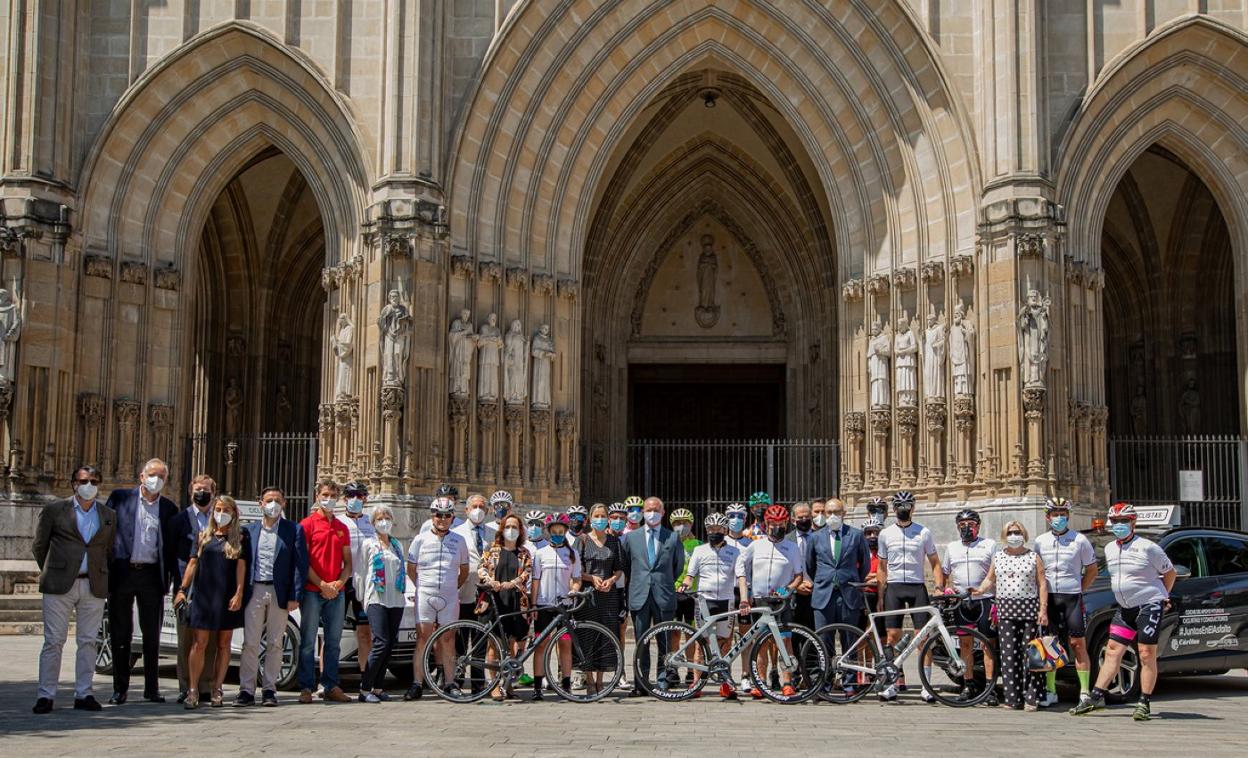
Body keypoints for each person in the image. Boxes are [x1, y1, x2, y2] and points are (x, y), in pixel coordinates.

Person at [1071, 502, 1176, 721]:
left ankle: (1144, 702)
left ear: (1133, 523)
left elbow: (1170, 573)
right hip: (1125, 607)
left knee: (1146, 653)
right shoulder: (1110, 548)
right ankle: (1096, 697)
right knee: (1112, 651)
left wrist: (1163, 595)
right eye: (1116, 522)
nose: (1119, 525)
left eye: (1123, 522)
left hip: (1148, 605)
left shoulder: (1148, 547)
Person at [31, 465, 116, 714]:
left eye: (94, 481)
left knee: (88, 641)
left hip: (93, 584)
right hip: (59, 584)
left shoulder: (108, 514)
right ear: (73, 484)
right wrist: (55, 569)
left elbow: (108, 549)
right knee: (53, 641)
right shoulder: (55, 510)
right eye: (84, 480)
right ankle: (46, 695)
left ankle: (84, 693)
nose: (89, 485)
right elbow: (39, 545)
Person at [106, 457, 178, 704]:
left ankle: (152, 688)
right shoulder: (120, 499)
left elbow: (172, 548)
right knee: (121, 633)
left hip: (151, 576)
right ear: (141, 476)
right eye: (152, 474)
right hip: (123, 572)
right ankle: (120, 689)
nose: (156, 480)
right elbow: (105, 535)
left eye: (161, 476)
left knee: (152, 635)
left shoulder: (169, 509)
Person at [174, 495, 250, 708]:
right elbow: (192, 563)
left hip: (226, 595)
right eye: (218, 509)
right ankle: (192, 689)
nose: (221, 513)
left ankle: (217, 687)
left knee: (224, 643)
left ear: (234, 513)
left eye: (226, 509)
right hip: (204, 596)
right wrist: (182, 589)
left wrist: (239, 593)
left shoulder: (241, 537)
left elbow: (241, 567)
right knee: (199, 643)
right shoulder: (204, 536)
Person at [237, 486, 307, 707]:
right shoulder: (248, 531)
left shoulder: (292, 529)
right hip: (255, 589)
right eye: (269, 500)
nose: (273, 504)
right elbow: (242, 563)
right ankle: (246, 690)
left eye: (277, 500)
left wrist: (295, 595)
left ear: (284, 503)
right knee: (250, 642)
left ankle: (269, 688)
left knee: (276, 642)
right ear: (261, 504)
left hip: (279, 593)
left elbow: (299, 565)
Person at [875, 490, 944, 702]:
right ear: (894, 510)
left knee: (922, 637)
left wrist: (939, 587)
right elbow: (882, 566)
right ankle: (892, 684)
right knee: (892, 635)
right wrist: (880, 596)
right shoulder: (885, 534)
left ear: (913, 508)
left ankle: (926, 685)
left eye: (907, 506)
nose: (903, 510)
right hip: (894, 587)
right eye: (899, 507)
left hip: (917, 586)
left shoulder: (924, 532)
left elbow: (934, 561)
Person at [974, 521, 1047, 711]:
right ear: (1005, 536)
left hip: (1029, 609)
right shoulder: (998, 557)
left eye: (1017, 532)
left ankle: (1031, 696)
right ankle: (1012, 697)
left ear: (1024, 534)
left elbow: (1042, 583)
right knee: (1008, 655)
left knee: (1030, 654)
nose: (1014, 535)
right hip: (1006, 609)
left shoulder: (1033, 556)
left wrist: (1043, 610)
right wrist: (979, 590)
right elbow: (991, 579)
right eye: (1010, 532)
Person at [1033, 497, 1098, 707]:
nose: (1059, 518)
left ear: (1068, 516)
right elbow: (1038, 572)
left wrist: (1080, 589)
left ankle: (1085, 692)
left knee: (1077, 644)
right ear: (1048, 517)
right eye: (1055, 514)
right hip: (1050, 598)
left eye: (1062, 514)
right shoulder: (1040, 541)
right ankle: (1051, 691)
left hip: (1072, 597)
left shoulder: (1080, 540)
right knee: (1050, 644)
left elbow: (1092, 570)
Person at [736, 503, 804, 698]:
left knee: (785, 641)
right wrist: (744, 593)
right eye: (773, 523)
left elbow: (799, 575)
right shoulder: (755, 545)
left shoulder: (792, 548)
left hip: (781, 601)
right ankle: (760, 682)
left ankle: (787, 682)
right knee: (760, 642)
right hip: (759, 600)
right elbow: (740, 566)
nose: (777, 526)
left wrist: (786, 590)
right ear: (766, 523)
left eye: (781, 522)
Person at [619, 496, 685, 696]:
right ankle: (641, 682)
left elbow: (678, 566)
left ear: (663, 513)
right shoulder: (631, 538)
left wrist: (663, 581)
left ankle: (663, 679)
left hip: (663, 595)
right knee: (641, 640)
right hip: (640, 594)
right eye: (648, 509)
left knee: (664, 639)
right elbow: (626, 566)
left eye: (656, 510)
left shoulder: (672, 537)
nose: (652, 513)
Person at [405, 496, 469, 700]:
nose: (442, 519)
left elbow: (465, 571)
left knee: (448, 639)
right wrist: (423, 587)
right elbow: (411, 569)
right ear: (432, 516)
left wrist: (452, 587)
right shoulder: (420, 539)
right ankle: (417, 683)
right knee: (423, 638)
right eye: (438, 514)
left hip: (449, 594)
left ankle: (450, 683)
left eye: (447, 515)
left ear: (452, 517)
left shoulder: (459, 540)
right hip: (426, 592)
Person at [804, 496, 870, 692]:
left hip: (848, 593)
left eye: (836, 512)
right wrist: (825, 580)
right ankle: (824, 682)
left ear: (844, 514)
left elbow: (864, 564)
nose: (832, 516)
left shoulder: (856, 535)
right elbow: (810, 565)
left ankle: (850, 682)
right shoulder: (815, 537)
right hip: (823, 594)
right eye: (829, 512)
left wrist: (849, 579)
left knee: (849, 638)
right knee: (823, 640)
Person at [297, 480, 353, 703]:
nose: (328, 498)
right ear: (317, 496)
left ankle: (330, 684)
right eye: (325, 494)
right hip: (313, 590)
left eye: (332, 495)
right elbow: (304, 561)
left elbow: (348, 562)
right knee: (308, 640)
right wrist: (322, 585)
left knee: (333, 642)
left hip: (336, 592)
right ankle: (306, 687)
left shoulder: (342, 528)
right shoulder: (307, 525)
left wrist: (338, 584)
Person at [940, 508, 998, 705]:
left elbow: (995, 572)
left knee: (987, 645)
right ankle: (969, 684)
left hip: (984, 600)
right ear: (957, 527)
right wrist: (943, 588)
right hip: (961, 601)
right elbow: (945, 571)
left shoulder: (989, 545)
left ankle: (990, 688)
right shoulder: (952, 547)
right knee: (965, 644)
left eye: (971, 525)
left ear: (978, 526)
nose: (967, 528)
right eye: (962, 525)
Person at [680, 512, 740, 698]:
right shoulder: (699, 550)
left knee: (726, 642)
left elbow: (740, 577)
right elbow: (691, 575)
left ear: (725, 530)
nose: (715, 532)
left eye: (719, 529)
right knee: (701, 643)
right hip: (705, 600)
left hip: (727, 600)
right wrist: (684, 586)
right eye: (711, 529)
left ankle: (725, 683)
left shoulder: (734, 551)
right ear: (707, 530)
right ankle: (696, 683)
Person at [171, 474, 219, 704]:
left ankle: (206, 684)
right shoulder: (180, 519)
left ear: (213, 491)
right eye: (199, 488)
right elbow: (171, 553)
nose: (202, 492)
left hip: (212, 586)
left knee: (208, 639)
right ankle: (185, 685)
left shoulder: (220, 520)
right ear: (191, 491)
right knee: (187, 638)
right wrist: (177, 586)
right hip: (187, 585)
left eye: (207, 489)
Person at [478, 513, 535, 701]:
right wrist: (490, 581)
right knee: (493, 644)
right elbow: (482, 568)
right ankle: (493, 686)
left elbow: (527, 572)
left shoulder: (524, 553)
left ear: (520, 531)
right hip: (495, 599)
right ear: (502, 530)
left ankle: (508, 684)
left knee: (512, 644)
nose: (511, 530)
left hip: (515, 600)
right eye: (508, 526)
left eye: (515, 527)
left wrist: (514, 583)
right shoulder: (492, 549)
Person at [358, 505, 407, 703]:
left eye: (387, 517)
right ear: (373, 523)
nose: (384, 521)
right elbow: (360, 574)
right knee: (380, 642)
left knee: (389, 644)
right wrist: (364, 600)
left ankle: (378, 687)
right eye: (379, 518)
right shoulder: (368, 544)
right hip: (376, 598)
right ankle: (364, 688)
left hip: (395, 598)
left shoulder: (397, 545)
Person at [531, 513, 582, 699]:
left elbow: (576, 579)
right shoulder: (540, 553)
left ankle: (566, 685)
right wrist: (534, 605)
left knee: (565, 644)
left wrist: (575, 589)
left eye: (561, 532)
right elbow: (535, 581)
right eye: (554, 532)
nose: (558, 534)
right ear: (548, 532)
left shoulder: (572, 554)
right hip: (544, 605)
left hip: (564, 607)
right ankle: (537, 686)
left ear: (566, 532)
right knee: (541, 645)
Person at [577, 503, 625, 697]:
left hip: (608, 596)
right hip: (588, 596)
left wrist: (612, 580)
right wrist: (591, 578)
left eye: (603, 515)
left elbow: (620, 567)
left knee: (606, 637)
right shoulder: (582, 540)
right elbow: (575, 570)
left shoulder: (614, 542)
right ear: (589, 518)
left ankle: (600, 681)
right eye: (596, 515)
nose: (600, 518)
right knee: (588, 636)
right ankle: (588, 680)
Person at [452, 493, 495, 694]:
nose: (478, 510)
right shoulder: (456, 532)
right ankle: (457, 681)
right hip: (463, 592)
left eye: (482, 507)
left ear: (486, 512)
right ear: (466, 510)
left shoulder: (493, 534)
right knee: (460, 640)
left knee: (480, 640)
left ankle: (478, 684)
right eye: (474, 506)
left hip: (484, 597)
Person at [337, 481, 375, 680]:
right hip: (341, 581)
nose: (356, 499)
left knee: (365, 633)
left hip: (364, 583)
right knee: (333, 634)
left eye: (360, 496)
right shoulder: (337, 522)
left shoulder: (371, 523)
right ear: (344, 499)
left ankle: (366, 681)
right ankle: (327, 682)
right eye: (351, 495)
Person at [607, 501, 631, 688]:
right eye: (614, 518)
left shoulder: (629, 539)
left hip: (622, 590)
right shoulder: (600, 538)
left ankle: (620, 670)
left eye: (622, 519)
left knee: (621, 631)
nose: (618, 521)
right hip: (604, 589)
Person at [785, 502, 817, 629]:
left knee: (815, 634)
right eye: (800, 518)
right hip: (794, 594)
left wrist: (814, 584)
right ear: (793, 520)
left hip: (815, 592)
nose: (804, 520)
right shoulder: (786, 540)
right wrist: (796, 585)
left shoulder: (820, 537)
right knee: (793, 636)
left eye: (807, 516)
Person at [670, 508, 702, 630]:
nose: (682, 526)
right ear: (673, 525)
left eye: (685, 523)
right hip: (674, 593)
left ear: (691, 524)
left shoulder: (699, 544)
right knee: (674, 632)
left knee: (692, 633)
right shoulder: (668, 544)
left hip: (692, 595)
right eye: (678, 523)